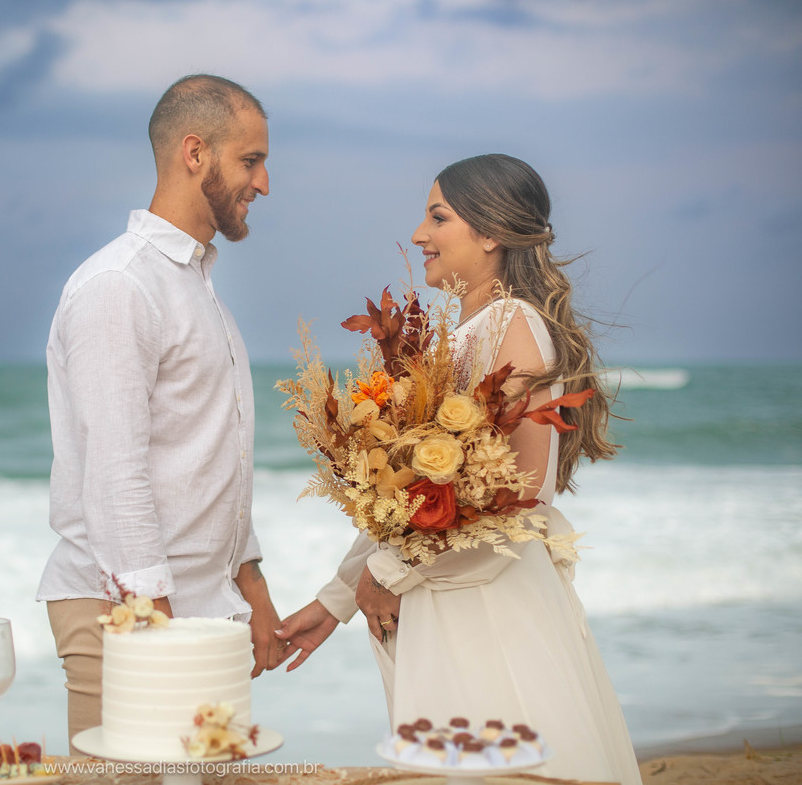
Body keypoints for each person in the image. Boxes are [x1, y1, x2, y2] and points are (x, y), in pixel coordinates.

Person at [274, 154, 641, 784]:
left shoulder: (514, 324)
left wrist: (388, 574)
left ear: (491, 232)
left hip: (488, 607)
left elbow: (517, 495)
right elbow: (416, 502)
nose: (419, 235)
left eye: (437, 217)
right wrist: (338, 596)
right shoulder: (466, 333)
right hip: (446, 593)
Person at [36, 74, 282, 752]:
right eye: (251, 161)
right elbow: (117, 474)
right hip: (129, 617)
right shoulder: (120, 287)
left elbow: (208, 455)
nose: (264, 184)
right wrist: (157, 635)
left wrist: (250, 581)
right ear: (194, 153)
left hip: (201, 613)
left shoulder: (198, 291)